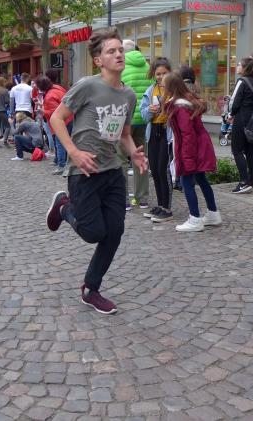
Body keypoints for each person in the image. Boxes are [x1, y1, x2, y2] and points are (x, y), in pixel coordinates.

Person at [46, 28, 148, 315]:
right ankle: (64, 206)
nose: (119, 55)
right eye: (111, 51)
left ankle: (91, 289)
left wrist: (133, 153)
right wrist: (74, 152)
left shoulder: (128, 95)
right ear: (98, 60)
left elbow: (124, 134)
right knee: (93, 233)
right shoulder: (88, 86)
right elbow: (57, 118)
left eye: (120, 50)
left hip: (113, 170)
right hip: (85, 172)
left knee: (114, 232)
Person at [163, 71, 221, 231]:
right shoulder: (184, 102)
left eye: (164, 84)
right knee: (201, 179)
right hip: (199, 146)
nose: (162, 87)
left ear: (170, 87)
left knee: (186, 181)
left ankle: (195, 219)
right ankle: (213, 213)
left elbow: (187, 134)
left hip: (193, 147)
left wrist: (187, 158)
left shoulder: (180, 106)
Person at [139, 57, 173, 222]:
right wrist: (150, 110)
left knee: (162, 169)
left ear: (170, 73)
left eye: (164, 73)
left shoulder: (173, 89)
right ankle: (160, 205)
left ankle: (167, 208)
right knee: (154, 169)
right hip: (153, 131)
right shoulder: (150, 90)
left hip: (167, 132)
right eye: (158, 74)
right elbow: (143, 114)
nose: (160, 77)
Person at [120, 40, 153, 210]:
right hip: (144, 119)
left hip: (126, 119)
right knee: (141, 158)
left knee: (120, 159)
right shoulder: (148, 67)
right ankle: (142, 198)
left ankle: (124, 199)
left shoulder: (121, 68)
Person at [228, 56, 253, 193]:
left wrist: (230, 114)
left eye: (239, 64)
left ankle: (244, 182)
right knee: (249, 151)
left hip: (241, 119)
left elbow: (234, 103)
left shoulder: (242, 81)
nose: (237, 66)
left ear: (245, 68)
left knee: (236, 150)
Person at [37, 73, 70, 176]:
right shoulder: (58, 88)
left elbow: (54, 112)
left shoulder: (49, 96)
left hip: (61, 122)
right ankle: (60, 161)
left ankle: (61, 166)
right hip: (69, 119)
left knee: (60, 143)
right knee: (64, 142)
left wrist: (42, 110)